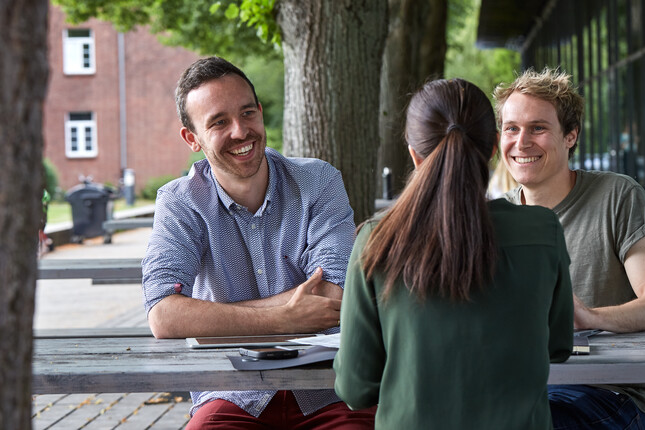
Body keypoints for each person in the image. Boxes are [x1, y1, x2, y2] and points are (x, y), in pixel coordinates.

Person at [141, 56, 375, 429]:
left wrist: (213, 316)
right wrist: (283, 318)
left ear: (260, 112)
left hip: (329, 388)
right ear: (192, 139)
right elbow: (164, 316)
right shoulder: (180, 202)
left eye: (247, 113)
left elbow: (335, 295)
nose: (240, 131)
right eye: (219, 122)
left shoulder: (319, 181)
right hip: (232, 393)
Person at [333, 78, 574, 429]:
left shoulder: (376, 240)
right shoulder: (542, 230)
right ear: (493, 147)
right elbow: (557, 345)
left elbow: (356, 389)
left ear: (414, 153)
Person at [494, 67, 645, 429]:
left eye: (538, 128)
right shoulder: (493, 216)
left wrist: (590, 318)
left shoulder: (618, 196)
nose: (522, 141)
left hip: (605, 392)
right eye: (511, 128)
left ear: (571, 136)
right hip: (518, 389)